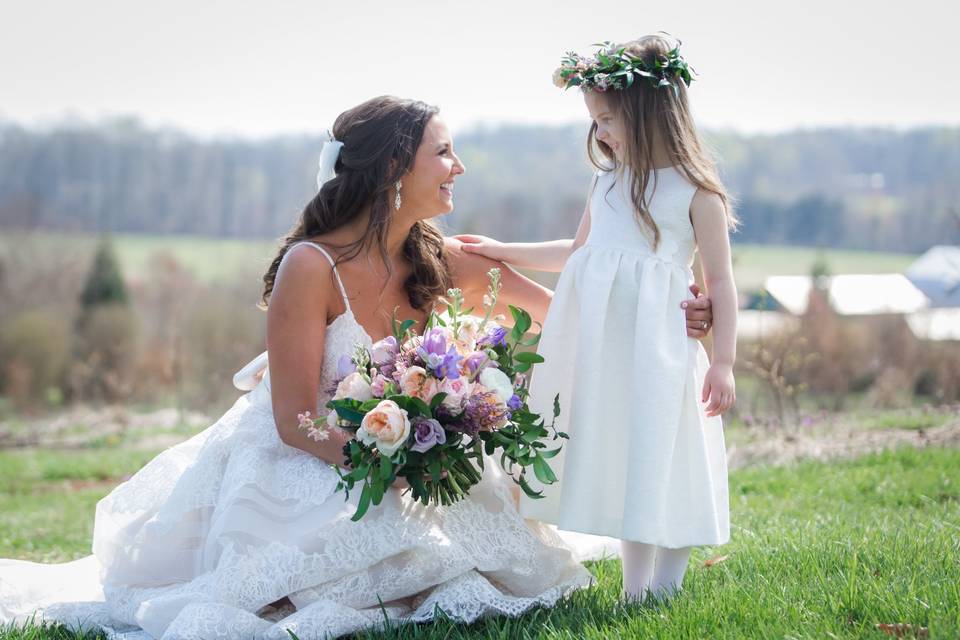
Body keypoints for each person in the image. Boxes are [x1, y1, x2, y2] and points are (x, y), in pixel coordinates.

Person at [0, 94, 714, 637]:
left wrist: (682, 317)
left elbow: (573, 318)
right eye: (444, 152)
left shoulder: (445, 258)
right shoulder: (310, 267)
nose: (458, 167)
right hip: (308, 451)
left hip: (413, 455)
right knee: (304, 582)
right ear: (394, 167)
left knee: (497, 563)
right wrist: (384, 463)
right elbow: (292, 420)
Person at [457, 34, 737, 602]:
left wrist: (725, 362)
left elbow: (722, 281)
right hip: (613, 352)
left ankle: (666, 587)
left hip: (661, 351)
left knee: (669, 453)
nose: (600, 133)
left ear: (649, 113)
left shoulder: (695, 194)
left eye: (607, 119)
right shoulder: (606, 184)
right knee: (633, 455)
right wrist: (503, 249)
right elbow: (577, 253)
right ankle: (637, 592)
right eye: (595, 121)